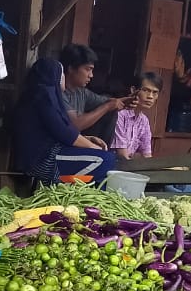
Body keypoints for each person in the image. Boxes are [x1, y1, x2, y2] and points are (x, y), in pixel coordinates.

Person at [12, 58, 117, 186]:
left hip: (50, 152)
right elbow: (64, 133)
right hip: (43, 160)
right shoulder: (43, 97)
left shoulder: (47, 96)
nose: (63, 77)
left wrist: (86, 139)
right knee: (105, 159)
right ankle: (65, 192)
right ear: (53, 75)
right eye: (61, 74)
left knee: (106, 161)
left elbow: (58, 130)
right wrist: (93, 147)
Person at [59, 43, 129, 148]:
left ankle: (102, 150)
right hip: (60, 148)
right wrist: (107, 107)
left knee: (111, 111)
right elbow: (75, 125)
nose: (91, 75)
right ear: (71, 68)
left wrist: (128, 101)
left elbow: (108, 102)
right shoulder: (58, 93)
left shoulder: (81, 92)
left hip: (77, 142)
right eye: (88, 69)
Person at [111, 72, 161, 161]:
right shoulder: (120, 114)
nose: (150, 96)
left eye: (155, 92)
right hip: (112, 165)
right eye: (146, 90)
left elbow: (147, 155)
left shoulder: (144, 121)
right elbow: (122, 155)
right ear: (133, 90)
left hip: (128, 166)